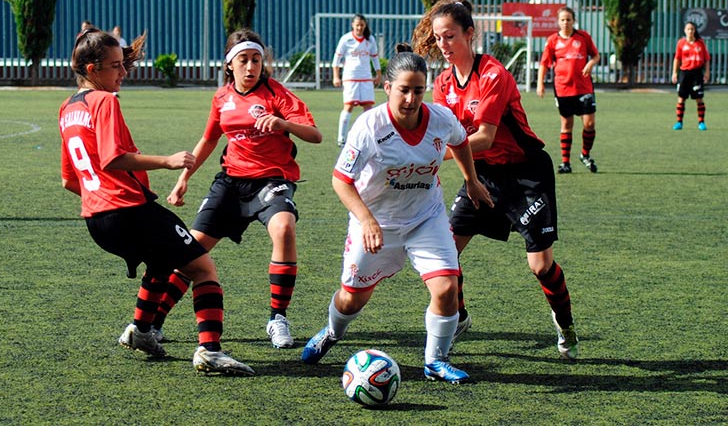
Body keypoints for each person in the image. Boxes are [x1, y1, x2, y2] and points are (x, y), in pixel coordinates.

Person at [59, 27, 254, 376]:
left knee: (162, 263)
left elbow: (68, 179)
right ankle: (210, 350)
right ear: (92, 70)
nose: (123, 72)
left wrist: (99, 201)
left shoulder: (67, 109)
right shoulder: (104, 101)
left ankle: (141, 331)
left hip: (96, 220)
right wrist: (167, 161)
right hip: (128, 210)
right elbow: (112, 159)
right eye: (116, 66)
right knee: (203, 268)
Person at [301, 43, 493, 384]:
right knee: (351, 299)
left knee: (447, 288)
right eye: (403, 90)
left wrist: (472, 181)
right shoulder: (369, 127)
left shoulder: (440, 118)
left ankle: (435, 361)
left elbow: (461, 141)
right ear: (387, 88)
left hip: (425, 218)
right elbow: (341, 181)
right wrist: (367, 220)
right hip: (376, 222)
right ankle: (331, 332)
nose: (411, 99)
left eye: (418, 90)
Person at [412, 0, 580, 360]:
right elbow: (447, 135)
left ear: (470, 34)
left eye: (451, 36)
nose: (443, 45)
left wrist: (433, 155)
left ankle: (564, 323)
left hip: (525, 174)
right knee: (446, 253)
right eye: (439, 38)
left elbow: (483, 137)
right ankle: (458, 316)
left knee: (540, 264)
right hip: (482, 173)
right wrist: (463, 174)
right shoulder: (441, 83)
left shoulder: (493, 75)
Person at [166, 29, 322, 349]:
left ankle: (277, 318)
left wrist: (284, 124)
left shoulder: (277, 94)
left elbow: (315, 134)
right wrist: (184, 178)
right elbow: (210, 139)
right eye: (244, 60)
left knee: (284, 229)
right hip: (231, 182)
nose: (251, 67)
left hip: (272, 180)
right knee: (191, 249)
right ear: (229, 65)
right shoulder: (221, 98)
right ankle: (153, 321)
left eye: (256, 60)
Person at [536, 7, 601, 173]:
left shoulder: (583, 37)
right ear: (558, 22)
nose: (566, 22)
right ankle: (566, 163)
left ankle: (585, 154)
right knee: (566, 124)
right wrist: (540, 83)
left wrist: (590, 63)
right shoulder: (552, 41)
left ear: (574, 21)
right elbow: (544, 63)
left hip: (584, 87)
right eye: (563, 20)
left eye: (569, 19)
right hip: (563, 88)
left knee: (589, 123)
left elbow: (596, 55)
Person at [332, 14, 382, 147]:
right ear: (352, 25)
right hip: (350, 77)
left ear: (365, 25)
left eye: (362, 25)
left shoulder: (370, 39)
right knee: (348, 106)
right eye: (357, 25)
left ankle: (370, 136)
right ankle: (341, 138)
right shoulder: (346, 39)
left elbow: (375, 58)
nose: (359, 27)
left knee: (368, 108)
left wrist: (378, 74)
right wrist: (336, 76)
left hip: (366, 78)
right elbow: (336, 60)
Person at [671, 21, 710, 131]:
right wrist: (674, 72)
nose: (690, 31)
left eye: (692, 29)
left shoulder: (700, 43)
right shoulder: (681, 43)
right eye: (688, 29)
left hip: (697, 73)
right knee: (681, 98)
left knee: (699, 98)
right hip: (685, 73)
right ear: (685, 30)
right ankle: (679, 122)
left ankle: (701, 123)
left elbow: (706, 59)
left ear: (695, 31)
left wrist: (707, 72)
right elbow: (677, 59)